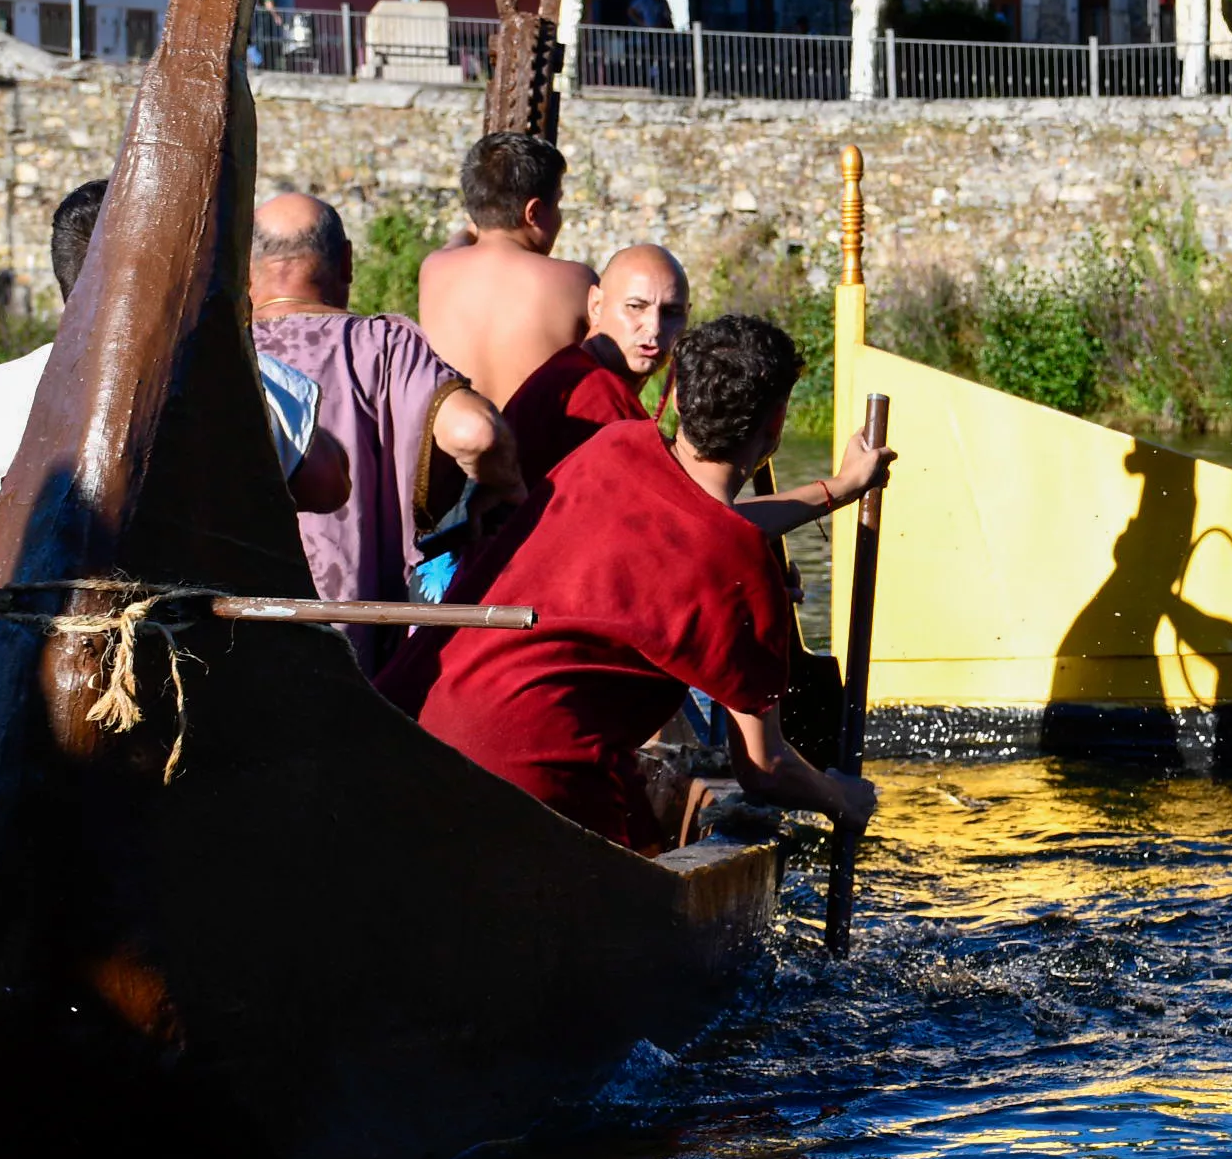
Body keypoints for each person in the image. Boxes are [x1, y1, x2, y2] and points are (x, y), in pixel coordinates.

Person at [379, 314, 891, 854]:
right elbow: (766, 768)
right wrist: (841, 797)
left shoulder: (614, 448)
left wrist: (836, 489)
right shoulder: (741, 574)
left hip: (408, 720)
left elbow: (705, 522)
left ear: (680, 398)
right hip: (529, 776)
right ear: (776, 423)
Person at [0, 182, 348, 581]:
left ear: (66, 277)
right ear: (174, 272)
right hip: (203, 660)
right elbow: (330, 488)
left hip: (11, 655)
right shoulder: (256, 383)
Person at [249, 192, 520, 663]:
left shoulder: (206, 355)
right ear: (347, 261)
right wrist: (506, 489)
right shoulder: (383, 347)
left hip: (229, 642)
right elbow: (475, 433)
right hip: (352, 651)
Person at [416, 132, 597, 408]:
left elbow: (457, 241)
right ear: (533, 213)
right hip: (542, 449)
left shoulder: (434, 268)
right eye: (557, 203)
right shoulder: (577, 282)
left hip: (450, 447)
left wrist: (474, 225)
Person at [500, 243, 690, 495]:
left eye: (671, 312)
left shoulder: (579, 371)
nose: (654, 327)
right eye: (635, 306)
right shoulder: (593, 392)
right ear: (596, 306)